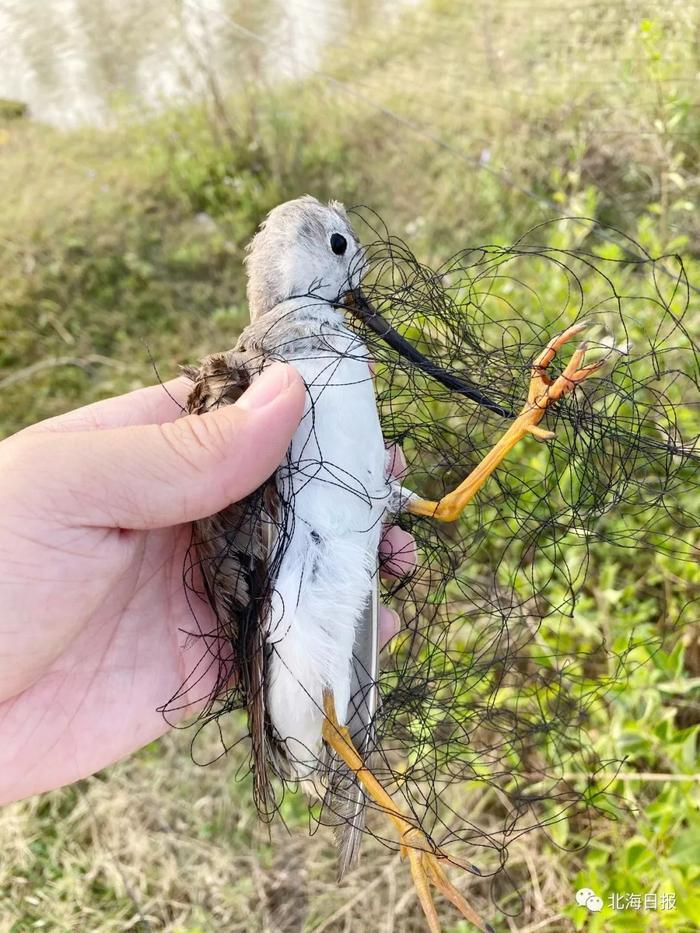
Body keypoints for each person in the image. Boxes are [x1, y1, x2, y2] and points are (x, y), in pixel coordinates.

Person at [0, 363, 415, 805]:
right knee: (321, 677)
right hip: (273, 596)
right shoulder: (246, 390)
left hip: (275, 591)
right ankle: (379, 807)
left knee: (327, 667)